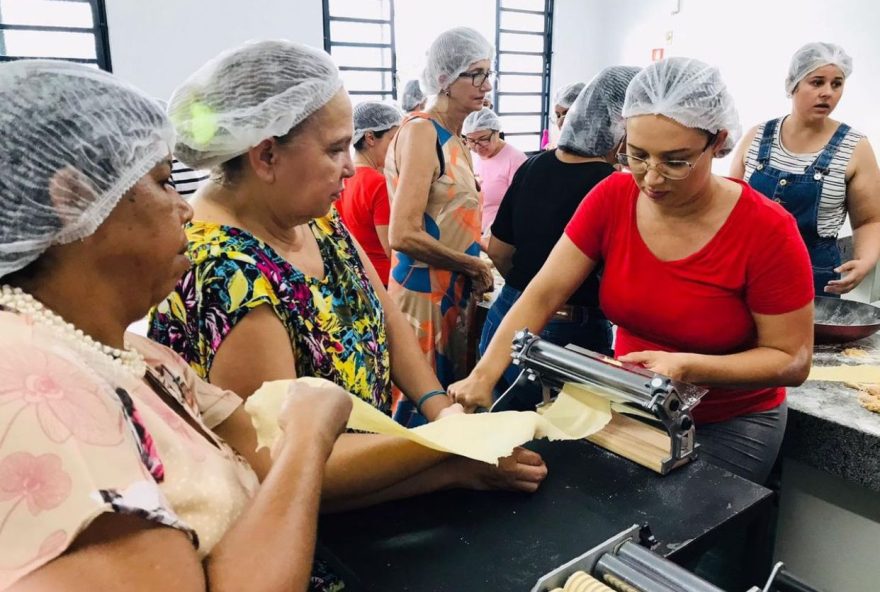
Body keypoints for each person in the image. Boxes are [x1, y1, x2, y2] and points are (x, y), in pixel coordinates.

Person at [148, 40, 546, 520]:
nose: (352, 166)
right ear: (266, 156)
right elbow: (285, 469)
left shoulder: (312, 217)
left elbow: (383, 315)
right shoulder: (225, 273)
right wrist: (449, 452)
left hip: (375, 481)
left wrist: (441, 408)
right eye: (336, 148)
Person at [0, 59, 354, 592]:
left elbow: (257, 448)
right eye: (164, 184)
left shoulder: (125, 352)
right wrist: (308, 436)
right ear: (73, 200)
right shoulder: (32, 389)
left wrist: (450, 458)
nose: (186, 209)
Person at [451, 58, 815, 486]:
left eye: (676, 161)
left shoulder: (766, 230)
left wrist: (688, 367)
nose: (652, 178)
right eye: (637, 155)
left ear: (717, 142)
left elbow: (792, 359)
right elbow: (542, 293)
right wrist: (482, 375)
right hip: (631, 400)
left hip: (731, 422)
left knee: (683, 536)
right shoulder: (612, 197)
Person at [479, 66, 641, 407]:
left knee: (498, 432)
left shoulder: (534, 164)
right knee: (548, 444)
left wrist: (524, 291)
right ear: (624, 126)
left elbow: (498, 249)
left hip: (504, 315)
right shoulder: (614, 187)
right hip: (564, 331)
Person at [385, 27, 496, 424]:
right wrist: (470, 265)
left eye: (490, 73)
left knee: (449, 400)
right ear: (446, 78)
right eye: (477, 74)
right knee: (419, 406)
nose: (487, 85)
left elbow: (452, 219)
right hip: (422, 293)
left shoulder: (456, 138)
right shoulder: (421, 132)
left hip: (449, 288)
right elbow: (403, 233)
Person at [731, 42, 880, 296]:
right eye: (817, 82)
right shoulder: (756, 138)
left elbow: (869, 220)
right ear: (793, 84)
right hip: (749, 269)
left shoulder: (855, 148)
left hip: (816, 278)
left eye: (837, 84)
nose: (827, 93)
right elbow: (728, 207)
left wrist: (865, 261)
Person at [334, 101, 402, 286]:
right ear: (370, 138)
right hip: (383, 280)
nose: (397, 148)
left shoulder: (342, 177)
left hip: (355, 275)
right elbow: (393, 249)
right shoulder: (378, 184)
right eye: (393, 140)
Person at [462, 107, 527, 236]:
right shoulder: (471, 156)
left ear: (497, 132)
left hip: (500, 235)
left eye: (483, 139)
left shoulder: (515, 159)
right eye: (471, 140)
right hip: (473, 230)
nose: (477, 146)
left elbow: (521, 205)